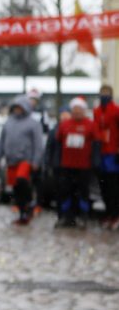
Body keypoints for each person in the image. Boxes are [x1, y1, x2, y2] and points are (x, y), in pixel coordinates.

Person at [0, 96, 45, 225]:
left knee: (22, 180)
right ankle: (22, 212)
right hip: (11, 160)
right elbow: (2, 142)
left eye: (20, 107)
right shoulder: (8, 122)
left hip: (25, 160)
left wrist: (36, 161)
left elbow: (38, 144)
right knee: (15, 187)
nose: (18, 110)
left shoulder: (33, 123)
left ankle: (29, 204)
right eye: (16, 107)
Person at [54, 98, 99, 228]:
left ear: (84, 111)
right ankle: (65, 217)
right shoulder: (65, 124)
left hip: (84, 166)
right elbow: (58, 143)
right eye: (75, 110)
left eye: (79, 110)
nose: (77, 112)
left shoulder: (90, 125)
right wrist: (57, 161)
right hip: (66, 165)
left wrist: (95, 161)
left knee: (83, 192)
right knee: (65, 191)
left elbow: (96, 144)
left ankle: (83, 217)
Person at [94, 85, 119, 229]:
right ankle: (108, 213)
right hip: (101, 153)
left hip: (112, 153)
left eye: (107, 93)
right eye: (102, 93)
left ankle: (115, 214)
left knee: (113, 185)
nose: (104, 95)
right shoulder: (97, 111)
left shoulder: (116, 110)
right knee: (103, 186)